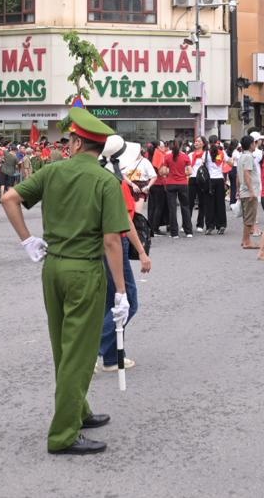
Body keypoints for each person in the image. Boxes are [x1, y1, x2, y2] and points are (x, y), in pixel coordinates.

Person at [0, 107, 131, 455]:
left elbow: (9, 198)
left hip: (52, 267)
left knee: (63, 346)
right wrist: (121, 291)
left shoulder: (53, 170)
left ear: (75, 142)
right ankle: (63, 434)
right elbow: (112, 240)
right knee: (79, 352)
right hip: (84, 270)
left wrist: (28, 240)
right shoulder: (106, 180)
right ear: (98, 147)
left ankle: (78, 409)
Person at [97, 136, 153, 373]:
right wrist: (142, 252)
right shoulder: (117, 183)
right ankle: (93, 347)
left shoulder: (100, 178)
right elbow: (125, 223)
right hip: (115, 244)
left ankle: (111, 357)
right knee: (128, 301)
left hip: (97, 244)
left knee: (112, 303)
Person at [236, 136, 260, 249]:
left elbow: (238, 176)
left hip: (243, 190)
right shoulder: (248, 157)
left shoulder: (241, 157)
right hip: (249, 191)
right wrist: (251, 191)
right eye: (254, 143)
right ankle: (247, 241)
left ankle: (244, 240)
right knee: (250, 218)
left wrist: (237, 189)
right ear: (251, 144)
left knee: (247, 217)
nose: (255, 145)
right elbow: (247, 174)